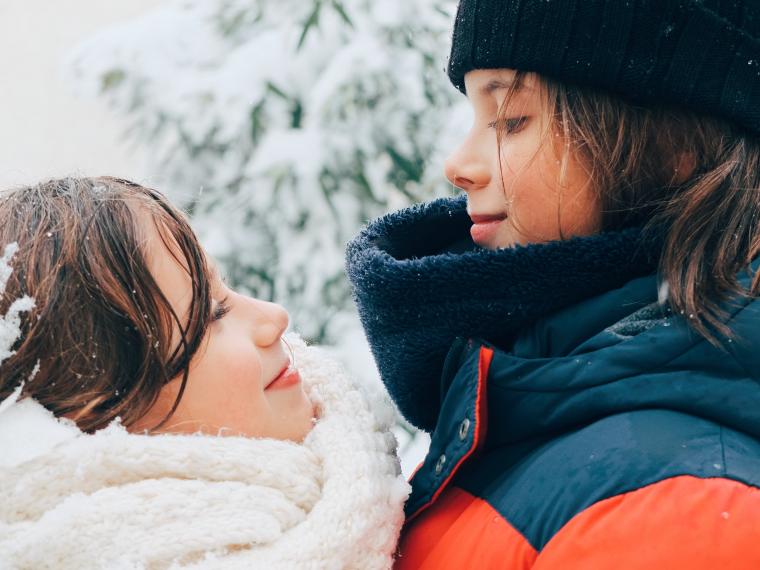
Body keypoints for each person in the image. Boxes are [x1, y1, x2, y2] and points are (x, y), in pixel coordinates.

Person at [347, 1, 760, 568]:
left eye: (511, 118)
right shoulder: (528, 401)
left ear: (673, 150)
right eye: (472, 117)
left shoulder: (675, 512)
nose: (458, 164)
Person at [0, 176, 408, 569]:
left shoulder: (379, 502)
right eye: (211, 314)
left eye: (225, 290)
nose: (275, 318)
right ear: (95, 412)